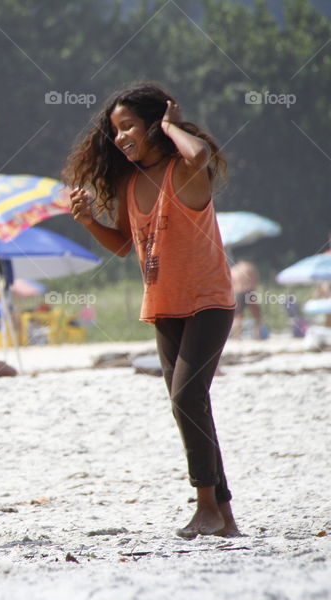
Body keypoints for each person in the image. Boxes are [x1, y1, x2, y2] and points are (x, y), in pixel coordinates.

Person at [63, 82, 239, 539]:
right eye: (114, 131)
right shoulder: (127, 181)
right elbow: (124, 245)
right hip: (163, 305)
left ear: (152, 126)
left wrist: (171, 124)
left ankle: (205, 508)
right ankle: (224, 515)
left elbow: (200, 155)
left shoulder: (183, 169)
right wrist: (88, 222)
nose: (120, 137)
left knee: (186, 398)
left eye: (129, 127)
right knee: (191, 403)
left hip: (207, 301)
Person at [230, 260, 263, 339]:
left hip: (238, 292)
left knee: (237, 316)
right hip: (250, 290)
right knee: (257, 315)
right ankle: (257, 335)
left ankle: (237, 336)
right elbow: (255, 279)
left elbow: (231, 283)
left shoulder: (233, 270)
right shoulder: (250, 267)